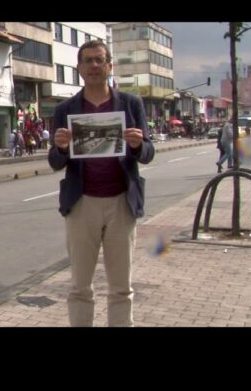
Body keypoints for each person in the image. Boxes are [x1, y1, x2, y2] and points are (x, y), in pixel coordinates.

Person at [48, 39, 155, 327]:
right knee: (79, 286)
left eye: (99, 60)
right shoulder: (66, 108)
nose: (94, 65)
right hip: (82, 204)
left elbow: (148, 153)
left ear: (109, 66)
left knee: (121, 286)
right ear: (79, 68)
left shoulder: (131, 104)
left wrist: (137, 145)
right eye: (88, 61)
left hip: (122, 202)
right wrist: (61, 148)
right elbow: (55, 162)